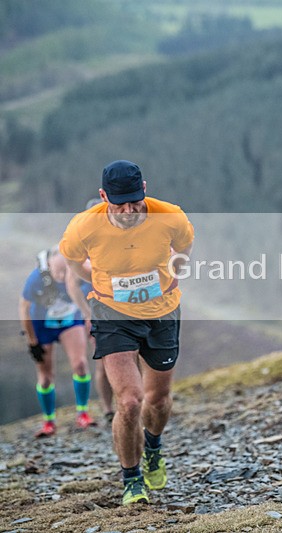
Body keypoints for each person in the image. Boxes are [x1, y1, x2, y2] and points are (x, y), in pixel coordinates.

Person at [60, 160, 194, 506]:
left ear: (144, 189)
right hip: (112, 314)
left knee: (157, 400)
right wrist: (102, 283)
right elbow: (74, 263)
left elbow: (184, 247)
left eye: (135, 201)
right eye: (120, 204)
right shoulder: (83, 227)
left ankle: (153, 447)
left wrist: (176, 271)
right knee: (130, 400)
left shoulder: (170, 216)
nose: (129, 210)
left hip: (161, 312)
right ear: (104, 196)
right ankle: (131, 478)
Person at [19, 247, 97, 438]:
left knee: (80, 364)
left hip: (70, 321)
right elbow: (24, 308)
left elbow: (91, 299)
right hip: (42, 325)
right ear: (50, 266)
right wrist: (32, 342)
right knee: (45, 376)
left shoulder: (80, 274)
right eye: (58, 272)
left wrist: (91, 323)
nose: (62, 277)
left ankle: (83, 413)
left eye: (66, 272)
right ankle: (49, 421)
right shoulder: (37, 278)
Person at [65, 197, 115, 425]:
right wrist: (86, 312)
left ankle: (135, 402)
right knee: (103, 362)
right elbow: (71, 282)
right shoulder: (84, 243)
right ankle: (107, 408)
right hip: (97, 310)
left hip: (121, 306)